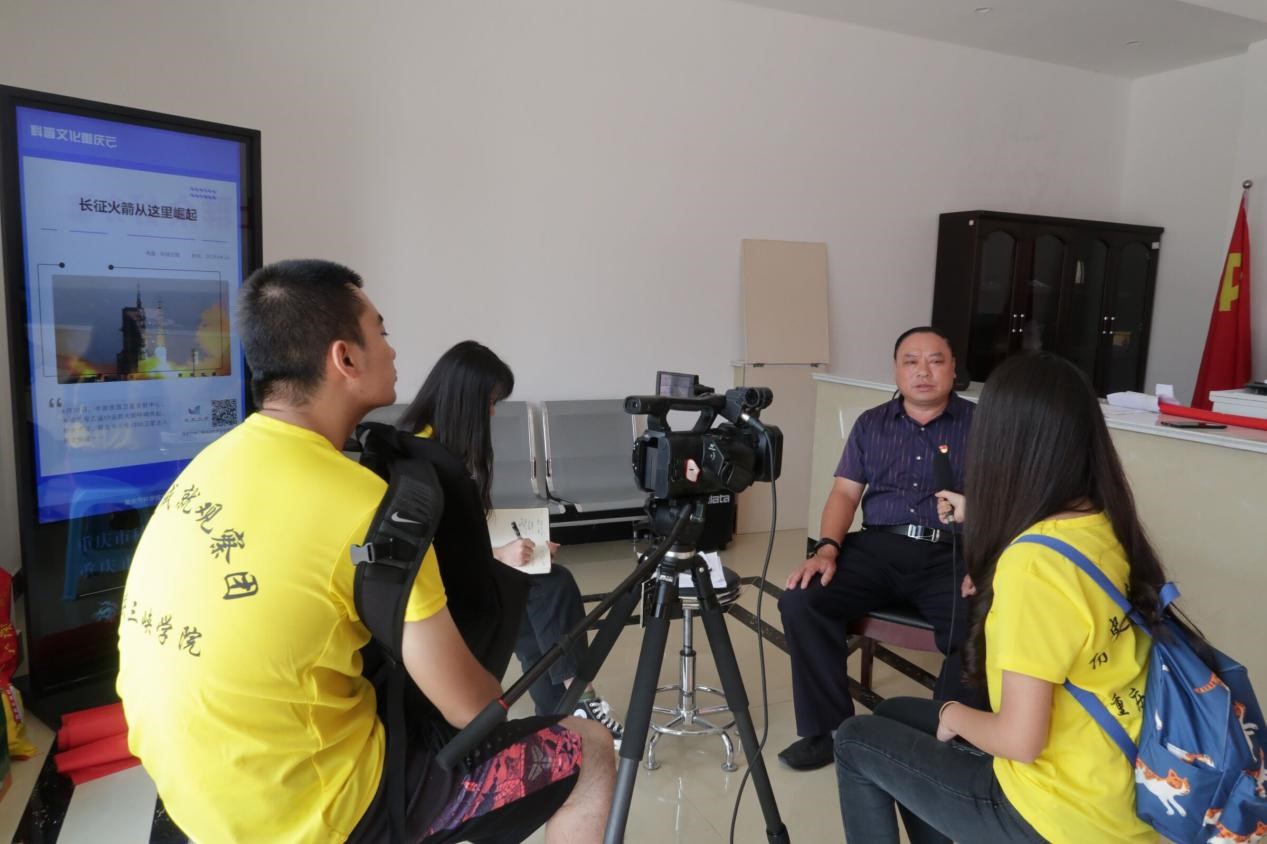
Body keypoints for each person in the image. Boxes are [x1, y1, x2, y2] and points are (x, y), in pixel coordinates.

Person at [117, 260, 614, 844]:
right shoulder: (366, 504)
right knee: (591, 750)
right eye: (382, 331)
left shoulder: (210, 463)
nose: (393, 350)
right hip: (307, 814)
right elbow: (472, 709)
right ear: (345, 358)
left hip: (188, 795)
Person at [834, 352, 1170, 843]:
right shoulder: (1103, 524)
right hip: (1115, 781)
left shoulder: (1032, 566)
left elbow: (1019, 740)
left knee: (856, 740)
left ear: (1002, 445)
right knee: (892, 715)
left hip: (1056, 815)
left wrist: (952, 713)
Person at [398, 340, 625, 744]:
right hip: (435, 588)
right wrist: (497, 556)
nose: (491, 413)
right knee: (552, 586)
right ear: (465, 399)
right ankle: (578, 696)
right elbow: (426, 548)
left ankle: (560, 712)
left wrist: (517, 547)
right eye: (489, 402)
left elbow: (454, 530)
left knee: (534, 602)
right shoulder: (427, 461)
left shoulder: (430, 444)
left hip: (454, 574)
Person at [777, 326, 978, 771]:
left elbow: (1007, 498)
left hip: (952, 553)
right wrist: (827, 549)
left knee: (980, 623)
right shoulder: (871, 423)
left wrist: (989, 560)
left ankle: (943, 743)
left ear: (953, 369)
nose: (923, 371)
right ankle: (828, 731)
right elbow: (844, 493)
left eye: (935, 361)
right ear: (896, 370)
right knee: (802, 600)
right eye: (911, 361)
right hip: (878, 547)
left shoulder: (983, 425)